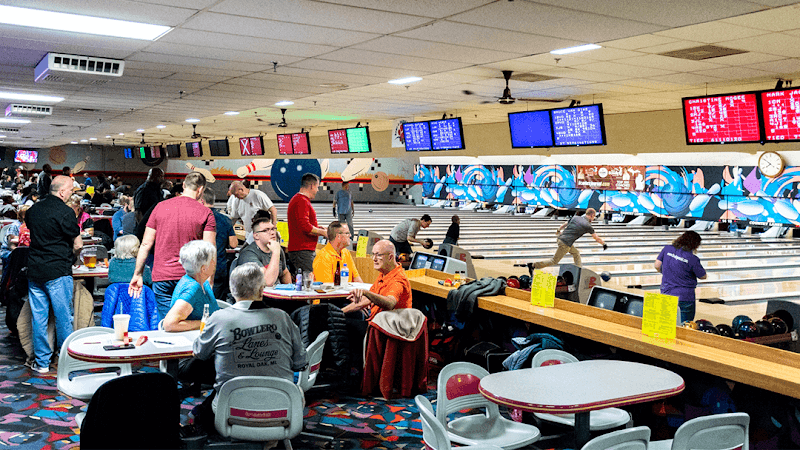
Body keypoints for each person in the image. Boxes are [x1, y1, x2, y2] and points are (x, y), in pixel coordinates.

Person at [189, 262, 308, 435]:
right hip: (282, 406)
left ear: (232, 289)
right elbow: (301, 362)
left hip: (232, 407)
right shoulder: (283, 317)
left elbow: (199, 353)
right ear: (262, 290)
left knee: (200, 412)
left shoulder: (218, 319)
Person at [129, 172, 216, 320]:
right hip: (191, 278)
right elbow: (209, 251)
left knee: (167, 324)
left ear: (183, 185)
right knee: (191, 323)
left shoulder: (159, 207)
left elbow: (145, 244)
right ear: (201, 190)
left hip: (162, 276)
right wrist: (209, 280)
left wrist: (138, 274)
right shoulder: (206, 213)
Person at [25, 175, 83, 373]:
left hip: (35, 270)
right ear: (61, 192)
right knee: (63, 318)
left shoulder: (32, 211)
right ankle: (67, 362)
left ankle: (41, 363)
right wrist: (72, 257)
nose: (71, 193)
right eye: (71, 190)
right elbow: (78, 244)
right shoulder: (65, 212)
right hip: (58, 270)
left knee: (39, 318)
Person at [342, 240, 411, 321]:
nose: (374, 259)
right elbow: (368, 299)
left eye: (378, 255)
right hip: (375, 322)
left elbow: (390, 303)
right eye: (373, 254)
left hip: (388, 329)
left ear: (390, 257)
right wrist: (341, 311)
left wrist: (366, 292)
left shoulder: (398, 279)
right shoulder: (384, 273)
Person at [162, 240, 220, 332]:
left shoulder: (203, 282)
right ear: (203, 268)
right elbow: (169, 324)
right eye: (212, 259)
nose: (215, 262)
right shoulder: (193, 288)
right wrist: (207, 323)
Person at [655, 230, 707, 324]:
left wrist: (667, 272)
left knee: (666, 325)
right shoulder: (693, 259)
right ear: (695, 245)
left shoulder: (667, 249)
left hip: (666, 292)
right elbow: (703, 276)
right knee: (684, 328)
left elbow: (657, 265)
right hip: (685, 298)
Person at [531, 208, 606, 270]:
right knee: (554, 261)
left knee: (576, 253)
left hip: (560, 239)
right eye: (594, 217)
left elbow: (564, 224)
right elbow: (596, 238)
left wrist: (558, 230)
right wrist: (604, 244)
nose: (593, 219)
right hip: (565, 244)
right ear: (592, 215)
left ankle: (578, 269)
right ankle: (533, 265)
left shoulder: (575, 217)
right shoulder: (587, 225)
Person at [200, 189, 237, 300]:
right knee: (216, 303)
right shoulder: (225, 220)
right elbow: (234, 244)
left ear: (201, 200)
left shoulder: (198, 218)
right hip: (219, 267)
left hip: (199, 269)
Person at [286, 173, 326, 275]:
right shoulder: (301, 201)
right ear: (312, 186)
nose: (317, 190)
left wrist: (317, 228)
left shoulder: (299, 200)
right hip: (302, 251)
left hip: (300, 250)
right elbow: (305, 227)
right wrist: (324, 233)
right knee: (308, 282)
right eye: (317, 187)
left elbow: (301, 224)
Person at [237, 217, 291, 286]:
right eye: (266, 230)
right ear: (256, 235)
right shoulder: (248, 254)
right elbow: (267, 282)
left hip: (277, 293)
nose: (272, 233)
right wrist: (276, 252)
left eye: (273, 229)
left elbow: (284, 273)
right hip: (259, 295)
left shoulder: (277, 249)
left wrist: (290, 291)